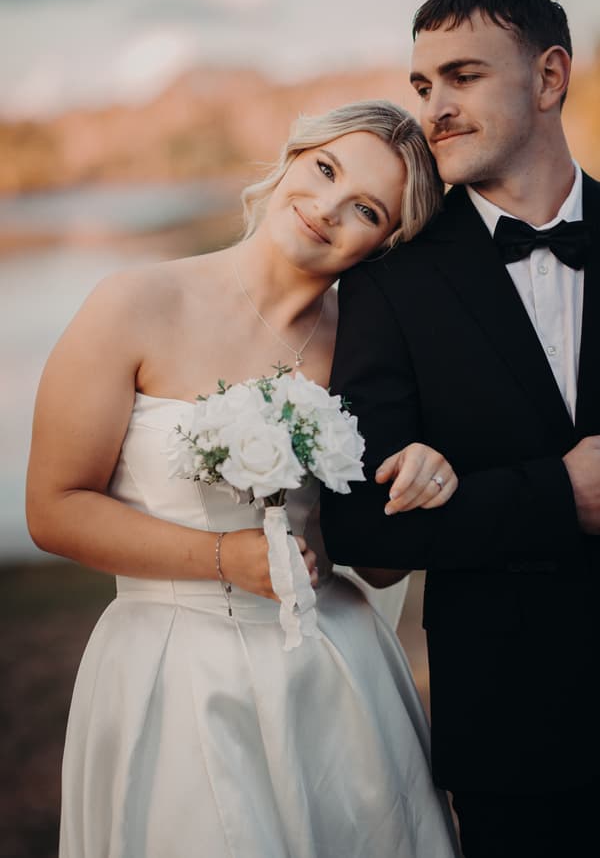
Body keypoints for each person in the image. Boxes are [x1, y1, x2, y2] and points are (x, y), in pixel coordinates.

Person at [26, 100, 461, 858]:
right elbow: (53, 508)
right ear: (293, 157)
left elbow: (381, 560)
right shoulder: (133, 301)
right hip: (169, 669)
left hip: (335, 678)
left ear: (386, 242)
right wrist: (228, 561)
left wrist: (425, 477)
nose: (326, 208)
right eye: (324, 169)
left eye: (364, 208)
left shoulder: (370, 349)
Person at [321, 0, 600, 858]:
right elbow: (360, 521)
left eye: (463, 76)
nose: (433, 106)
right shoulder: (388, 281)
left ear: (550, 77)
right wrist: (560, 494)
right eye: (422, 84)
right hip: (516, 737)